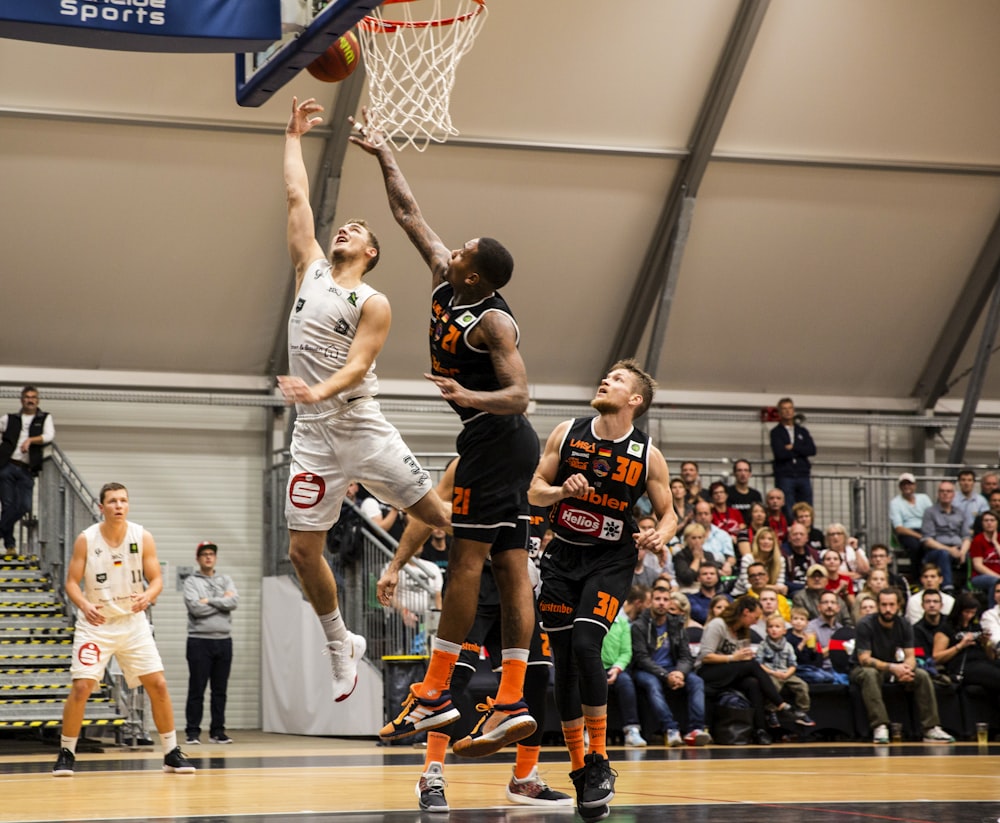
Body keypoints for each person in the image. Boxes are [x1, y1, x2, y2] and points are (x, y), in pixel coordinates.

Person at [353, 108, 541, 756]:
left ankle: (434, 690)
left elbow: (522, 393)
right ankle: (511, 695)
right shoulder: (444, 277)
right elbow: (409, 214)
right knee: (513, 565)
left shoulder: (493, 322)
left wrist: (470, 394)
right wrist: (382, 153)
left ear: (474, 275)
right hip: (502, 445)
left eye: (461, 251)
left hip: (496, 438)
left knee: (466, 560)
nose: (449, 247)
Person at [279, 98, 451, 705]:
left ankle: (497, 591)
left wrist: (316, 388)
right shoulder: (312, 269)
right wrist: (293, 135)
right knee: (303, 551)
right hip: (311, 434)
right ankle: (339, 643)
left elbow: (356, 369)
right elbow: (299, 199)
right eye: (341, 227)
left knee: (441, 518)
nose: (343, 228)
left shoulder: (371, 302)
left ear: (372, 252)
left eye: (356, 230)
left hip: (360, 425)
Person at [528, 359, 676, 819]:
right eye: (606, 376)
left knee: (590, 645)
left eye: (618, 379)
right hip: (562, 558)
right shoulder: (566, 432)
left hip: (610, 559)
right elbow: (534, 490)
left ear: (635, 400)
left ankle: (601, 760)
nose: (605, 380)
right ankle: (581, 771)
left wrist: (661, 536)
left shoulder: (647, 452)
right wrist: (560, 493)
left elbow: (669, 512)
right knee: (566, 664)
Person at [377, 461, 571, 812]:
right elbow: (426, 510)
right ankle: (430, 775)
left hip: (521, 590)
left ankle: (525, 778)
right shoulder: (469, 463)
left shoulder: (541, 471)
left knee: (538, 675)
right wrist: (395, 566)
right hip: (475, 587)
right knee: (454, 679)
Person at [53, 483, 194, 776]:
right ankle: (66, 752)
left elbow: (156, 579)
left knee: (158, 684)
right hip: (97, 625)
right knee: (82, 687)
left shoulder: (142, 536)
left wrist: (149, 594)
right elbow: (70, 582)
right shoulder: (86, 539)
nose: (119, 505)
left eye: (124, 500)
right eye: (113, 501)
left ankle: (171, 752)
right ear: (101, 507)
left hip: (132, 624)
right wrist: (83, 604)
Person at [849, 588, 954, 744]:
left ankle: (931, 728)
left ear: (898, 605)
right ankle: (880, 726)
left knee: (922, 675)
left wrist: (906, 669)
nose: (888, 609)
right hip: (862, 669)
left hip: (893, 667)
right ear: (878, 606)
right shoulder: (865, 624)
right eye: (884, 605)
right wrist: (893, 668)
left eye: (891, 605)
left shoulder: (904, 624)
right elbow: (864, 659)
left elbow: (910, 656)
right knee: (870, 674)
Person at [694, 595, 791, 746]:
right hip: (708, 672)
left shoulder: (742, 630)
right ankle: (780, 704)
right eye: (755, 616)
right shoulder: (718, 624)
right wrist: (733, 657)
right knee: (751, 665)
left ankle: (760, 730)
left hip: (730, 672)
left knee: (752, 683)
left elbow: (740, 658)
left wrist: (740, 657)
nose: (757, 621)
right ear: (746, 612)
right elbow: (705, 657)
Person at [631, 586, 712, 747]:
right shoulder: (639, 625)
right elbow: (642, 658)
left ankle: (695, 729)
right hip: (647, 670)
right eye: (658, 599)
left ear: (670, 603)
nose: (661, 603)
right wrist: (665, 675)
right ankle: (671, 728)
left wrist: (679, 673)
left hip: (673, 669)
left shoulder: (677, 624)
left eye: (665, 599)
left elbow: (685, 656)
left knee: (696, 681)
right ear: (650, 602)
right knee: (652, 685)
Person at [183, 541, 238, 746]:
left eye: (211, 554)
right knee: (197, 688)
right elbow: (195, 609)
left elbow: (234, 602)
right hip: (199, 641)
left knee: (220, 690)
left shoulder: (226, 579)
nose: (208, 557)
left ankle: (217, 731)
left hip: (223, 641)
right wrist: (221, 601)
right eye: (204, 554)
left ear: (215, 558)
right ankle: (192, 732)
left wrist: (209, 600)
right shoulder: (191, 582)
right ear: (198, 558)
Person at [0, 386, 55, 553]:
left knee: (24, 505)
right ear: (22, 400)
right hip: (7, 466)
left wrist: (31, 440)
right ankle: (10, 545)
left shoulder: (44, 417)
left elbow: (49, 435)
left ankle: (1, 530)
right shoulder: (9, 418)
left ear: (37, 400)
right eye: (27, 397)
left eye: (33, 397)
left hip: (26, 469)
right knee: (8, 506)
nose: (30, 400)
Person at [604, 585, 649, 748]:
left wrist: (616, 668)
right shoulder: (591, 621)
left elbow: (626, 651)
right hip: (593, 667)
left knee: (626, 683)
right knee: (587, 684)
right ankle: (586, 731)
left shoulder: (622, 622)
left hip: (615, 668)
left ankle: (632, 730)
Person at [932, 591, 1000, 697]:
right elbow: (936, 658)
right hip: (963, 665)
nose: (969, 616)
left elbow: (991, 656)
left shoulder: (976, 626)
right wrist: (960, 645)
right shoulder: (946, 629)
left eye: (973, 613)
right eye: (966, 612)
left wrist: (986, 643)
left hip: (982, 661)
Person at [755, 614, 816, 728]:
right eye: (771, 627)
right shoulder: (763, 645)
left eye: (777, 627)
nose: (774, 629)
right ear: (767, 630)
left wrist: (788, 673)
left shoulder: (788, 646)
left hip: (786, 673)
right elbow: (759, 663)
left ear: (784, 630)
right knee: (773, 686)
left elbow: (793, 664)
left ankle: (802, 712)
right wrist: (772, 673)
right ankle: (770, 712)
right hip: (771, 673)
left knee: (802, 686)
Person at [769, 398, 816, 518]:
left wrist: (793, 447)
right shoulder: (776, 432)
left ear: (793, 410)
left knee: (806, 508)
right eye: (784, 409)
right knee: (788, 509)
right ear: (779, 412)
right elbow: (780, 453)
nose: (787, 412)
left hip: (803, 474)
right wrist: (800, 450)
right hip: (785, 475)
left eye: (790, 408)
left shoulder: (802, 431)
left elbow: (811, 450)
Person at [920, 480, 970, 592]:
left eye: (948, 491)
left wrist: (962, 551)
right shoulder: (930, 512)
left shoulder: (960, 512)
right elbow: (927, 540)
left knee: (974, 555)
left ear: (954, 494)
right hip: (936, 550)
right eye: (942, 491)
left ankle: (969, 587)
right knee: (944, 554)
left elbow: (966, 537)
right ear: (938, 494)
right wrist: (949, 550)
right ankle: (948, 587)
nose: (945, 494)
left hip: (958, 549)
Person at [889, 472, 933, 570]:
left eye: (909, 484)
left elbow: (932, 516)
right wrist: (920, 536)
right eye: (903, 484)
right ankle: (917, 576)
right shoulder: (895, 503)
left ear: (915, 485)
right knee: (915, 546)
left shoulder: (924, 498)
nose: (906, 486)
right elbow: (899, 528)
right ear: (900, 487)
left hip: (925, 530)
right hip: (907, 532)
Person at [731, 527, 786, 596]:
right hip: (743, 594)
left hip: (769, 595)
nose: (766, 542)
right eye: (762, 538)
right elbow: (749, 587)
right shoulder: (747, 559)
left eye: (770, 539)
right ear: (757, 542)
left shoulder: (780, 560)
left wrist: (779, 588)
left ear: (774, 543)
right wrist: (772, 587)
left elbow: (780, 585)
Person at [673, 523, 722, 592]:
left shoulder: (708, 555)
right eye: (693, 538)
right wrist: (696, 559)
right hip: (687, 589)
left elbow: (715, 576)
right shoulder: (680, 555)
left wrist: (703, 560)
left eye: (700, 537)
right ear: (686, 539)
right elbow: (687, 578)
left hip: (708, 589)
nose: (697, 541)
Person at [692, 500, 736, 575]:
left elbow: (731, 557)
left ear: (711, 516)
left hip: (720, 571)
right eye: (700, 514)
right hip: (697, 573)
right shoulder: (689, 535)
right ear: (695, 516)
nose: (703, 517)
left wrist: (728, 565)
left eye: (706, 514)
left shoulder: (723, 535)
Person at [782, 522, 820, 595]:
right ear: (789, 538)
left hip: (813, 590)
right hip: (792, 592)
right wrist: (806, 586)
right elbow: (783, 581)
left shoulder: (814, 555)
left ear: (807, 538)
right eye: (795, 534)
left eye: (801, 534)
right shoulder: (782, 554)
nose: (798, 537)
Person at [968, 510, 1000, 592]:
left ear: (997, 523)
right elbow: (978, 566)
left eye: (992, 520)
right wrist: (997, 577)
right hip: (980, 576)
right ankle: (993, 605)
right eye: (986, 520)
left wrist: (995, 543)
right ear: (982, 523)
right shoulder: (978, 540)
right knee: (996, 582)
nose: (989, 523)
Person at [726, 459, 763, 526]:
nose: (743, 473)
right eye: (739, 470)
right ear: (734, 473)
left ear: (750, 474)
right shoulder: (727, 493)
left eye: (746, 470)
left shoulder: (756, 495)